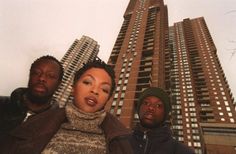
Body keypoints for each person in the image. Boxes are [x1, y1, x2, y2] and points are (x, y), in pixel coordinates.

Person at [0, 59, 133, 154]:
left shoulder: (121, 139)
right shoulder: (34, 123)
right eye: (87, 82)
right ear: (73, 88)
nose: (95, 91)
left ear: (108, 98)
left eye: (104, 89)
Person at [0, 55, 64, 135]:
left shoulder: (57, 127)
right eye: (36, 73)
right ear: (30, 76)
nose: (41, 78)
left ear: (59, 84)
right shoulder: (2, 104)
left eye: (50, 76)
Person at [129, 87, 195, 154]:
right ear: (139, 108)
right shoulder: (121, 142)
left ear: (165, 115)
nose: (151, 108)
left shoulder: (183, 151)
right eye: (146, 103)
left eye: (158, 105)